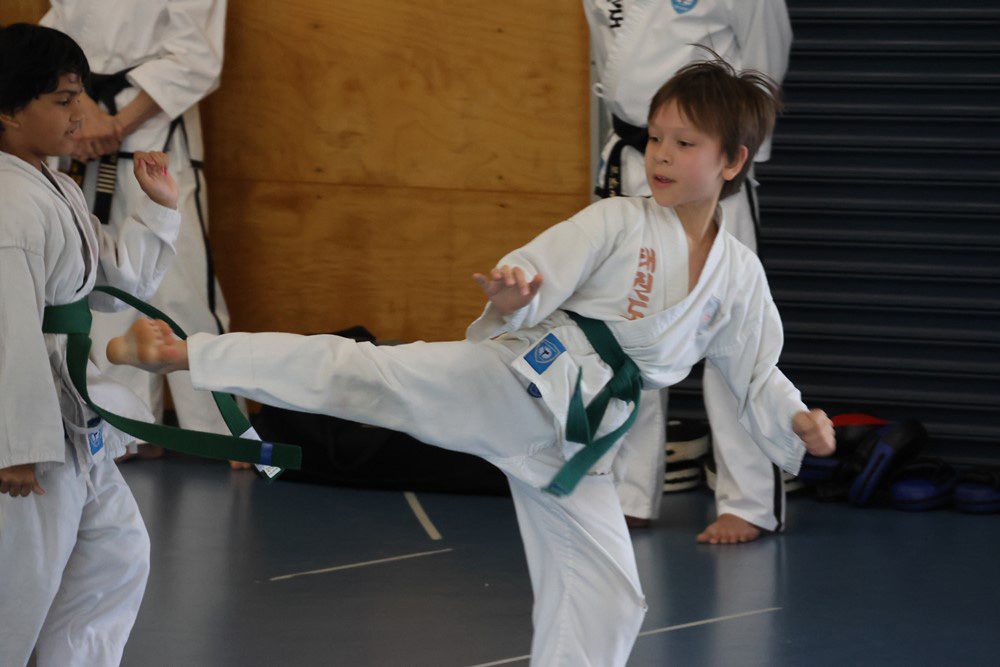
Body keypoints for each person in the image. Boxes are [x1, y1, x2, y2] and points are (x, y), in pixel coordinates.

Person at [108, 58, 835, 666]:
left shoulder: (739, 277)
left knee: (611, 595)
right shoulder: (619, 220)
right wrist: (515, 289)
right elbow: (539, 266)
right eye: (659, 139)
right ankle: (188, 352)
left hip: (579, 446)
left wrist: (795, 418)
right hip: (519, 385)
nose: (663, 156)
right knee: (363, 374)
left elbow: (756, 369)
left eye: (686, 143)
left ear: (733, 160)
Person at [0, 23, 180, 666]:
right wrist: (13, 447)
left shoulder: (56, 186)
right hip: (31, 432)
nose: (82, 116)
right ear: (8, 111)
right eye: (63, 100)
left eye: (80, 97)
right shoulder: (7, 204)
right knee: (19, 589)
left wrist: (156, 209)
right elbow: (7, 330)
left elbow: (109, 287)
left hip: (69, 412)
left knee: (116, 555)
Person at [583, 0, 794, 543]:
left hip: (710, 171)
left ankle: (748, 501)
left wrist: (734, 164)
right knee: (626, 330)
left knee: (732, 332)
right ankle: (629, 492)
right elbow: (609, 60)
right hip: (636, 159)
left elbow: (767, 56)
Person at [38, 0, 243, 466]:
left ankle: (217, 426)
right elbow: (55, 34)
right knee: (100, 279)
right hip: (79, 125)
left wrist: (114, 124)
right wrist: (79, 106)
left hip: (153, 125)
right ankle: (129, 424)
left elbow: (198, 57)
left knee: (182, 282)